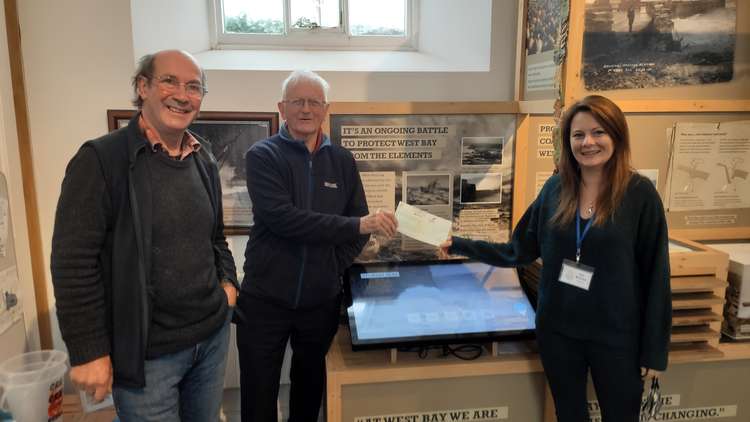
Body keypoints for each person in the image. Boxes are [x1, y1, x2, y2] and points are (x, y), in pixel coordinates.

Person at [440, 95, 671, 422]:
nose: (588, 142)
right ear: (568, 142)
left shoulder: (639, 194)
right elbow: (517, 250)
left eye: (598, 132)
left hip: (617, 337)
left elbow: (656, 275)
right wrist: (460, 244)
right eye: (578, 135)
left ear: (617, 136)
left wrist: (655, 351)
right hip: (559, 333)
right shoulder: (554, 189)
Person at [51, 50, 238, 421]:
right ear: (143, 87)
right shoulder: (101, 160)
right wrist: (89, 351)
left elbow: (215, 237)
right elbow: (73, 261)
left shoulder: (202, 158)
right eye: (169, 81)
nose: (183, 95)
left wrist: (228, 284)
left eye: (194, 86)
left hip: (210, 341)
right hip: (148, 356)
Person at [236, 70, 397, 421]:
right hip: (264, 301)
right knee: (258, 396)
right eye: (297, 101)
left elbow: (358, 230)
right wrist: (357, 224)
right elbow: (283, 219)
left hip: (319, 303)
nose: (306, 109)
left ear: (325, 109)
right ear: (282, 107)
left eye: (314, 102)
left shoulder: (342, 161)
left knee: (309, 392)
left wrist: (331, 266)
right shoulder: (262, 156)